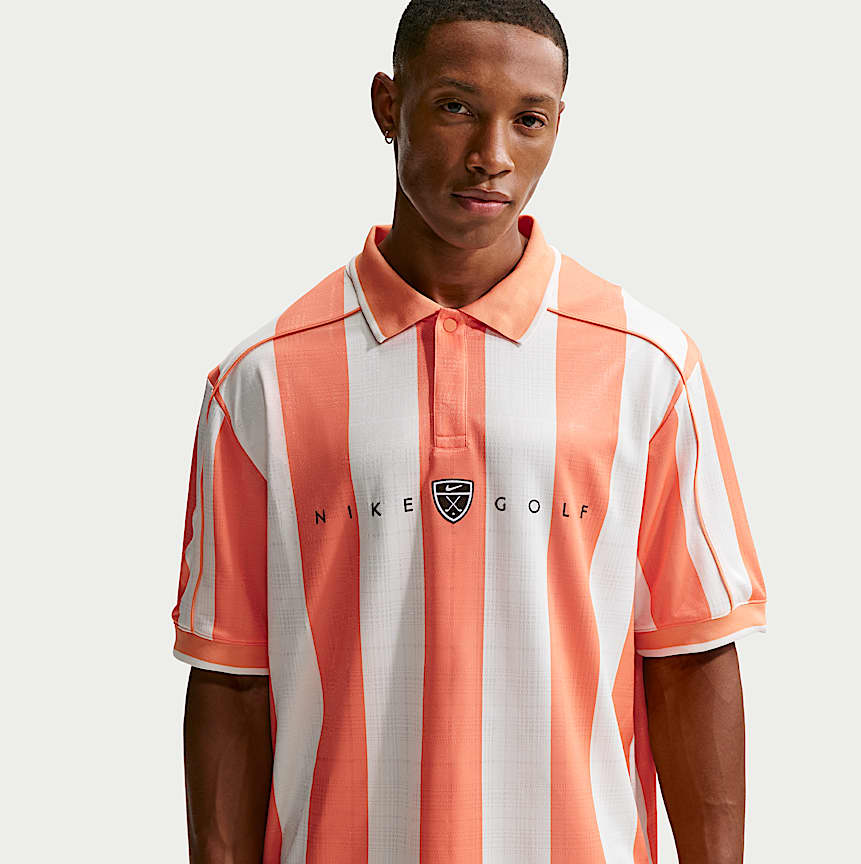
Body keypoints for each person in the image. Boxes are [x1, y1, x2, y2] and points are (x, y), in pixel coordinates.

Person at [170, 2, 768, 861]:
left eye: (529, 120)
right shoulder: (261, 381)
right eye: (456, 107)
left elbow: (689, 657)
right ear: (388, 105)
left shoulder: (650, 367)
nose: (493, 154)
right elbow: (232, 681)